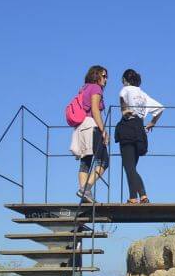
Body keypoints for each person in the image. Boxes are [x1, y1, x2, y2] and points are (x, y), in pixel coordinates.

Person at [115, 68, 164, 203]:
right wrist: (152, 123)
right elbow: (160, 108)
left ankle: (137, 196)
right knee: (132, 167)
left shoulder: (125, 89)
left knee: (128, 166)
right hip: (140, 130)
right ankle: (138, 196)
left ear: (125, 80)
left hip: (128, 126)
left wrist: (124, 110)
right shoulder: (143, 94)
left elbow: (123, 105)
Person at [69, 65, 110, 203]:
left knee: (85, 162)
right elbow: (95, 109)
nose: (106, 79)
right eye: (104, 76)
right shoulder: (96, 88)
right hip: (91, 126)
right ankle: (85, 189)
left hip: (80, 127)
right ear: (96, 75)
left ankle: (84, 194)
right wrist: (103, 130)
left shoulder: (84, 88)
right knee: (104, 161)